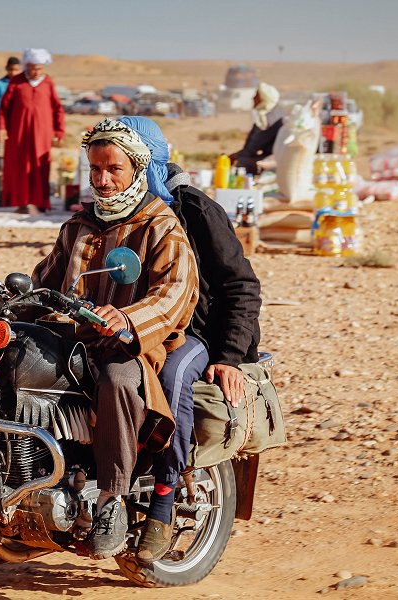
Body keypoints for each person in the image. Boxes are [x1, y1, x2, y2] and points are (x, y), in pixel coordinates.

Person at [31, 118, 198, 559]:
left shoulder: (161, 226)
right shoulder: (78, 225)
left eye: (114, 170)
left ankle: (111, 499)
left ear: (138, 170)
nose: (103, 180)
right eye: (95, 170)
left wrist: (126, 319)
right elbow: (45, 279)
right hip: (74, 340)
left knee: (117, 380)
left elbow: (175, 294)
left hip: (131, 347)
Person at [117, 118, 262, 564]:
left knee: (176, 376)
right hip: (133, 325)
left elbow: (242, 285)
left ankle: (162, 501)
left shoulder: (195, 209)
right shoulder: (113, 207)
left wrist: (229, 356)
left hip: (195, 331)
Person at [0, 48, 65, 215]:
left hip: (42, 134)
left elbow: (57, 108)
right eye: (33, 68)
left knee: (40, 166)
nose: (36, 72)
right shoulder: (16, 82)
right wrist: (2, 127)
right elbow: (4, 108)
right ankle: (21, 202)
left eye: (40, 68)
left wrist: (59, 130)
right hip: (19, 134)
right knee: (18, 167)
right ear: (27, 66)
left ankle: (40, 202)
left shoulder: (48, 83)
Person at [229, 82, 285, 175]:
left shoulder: (267, 119)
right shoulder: (274, 112)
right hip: (274, 157)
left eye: (256, 96)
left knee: (240, 163)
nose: (253, 98)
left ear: (263, 99)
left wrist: (234, 157)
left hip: (274, 160)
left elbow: (252, 147)